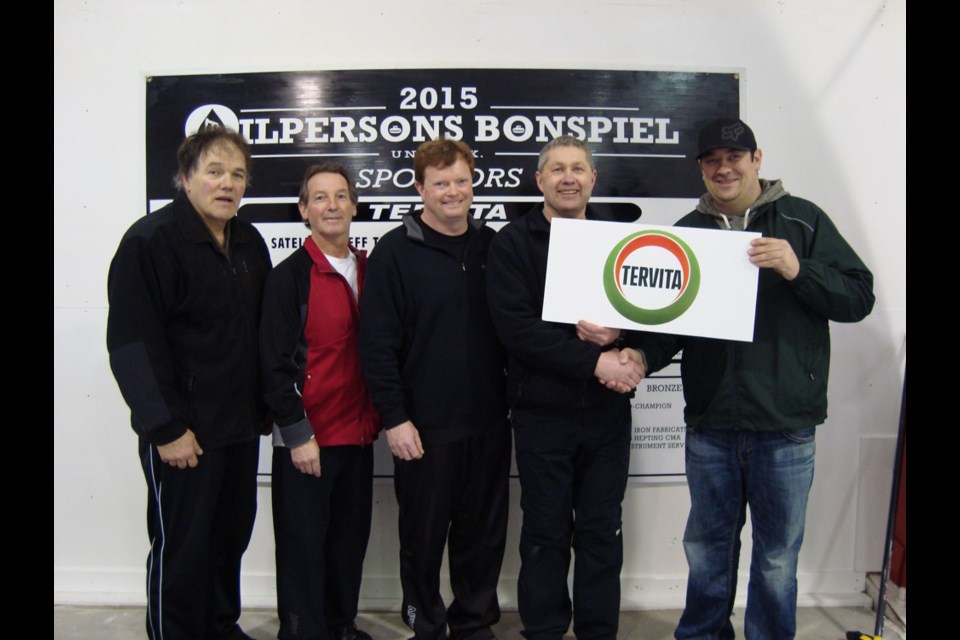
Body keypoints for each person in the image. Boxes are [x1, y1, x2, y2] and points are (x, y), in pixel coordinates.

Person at [637, 117, 876, 639]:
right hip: (711, 423)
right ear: (701, 168)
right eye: (712, 160)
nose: (724, 168)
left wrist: (798, 269)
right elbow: (667, 323)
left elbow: (859, 297)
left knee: (776, 556)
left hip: (785, 427)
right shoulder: (687, 233)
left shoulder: (804, 221)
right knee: (706, 548)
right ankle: (702, 634)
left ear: (757, 159)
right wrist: (637, 357)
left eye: (735, 157)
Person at [107, 126, 272, 640]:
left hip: (239, 427)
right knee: (182, 546)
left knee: (229, 539)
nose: (228, 184)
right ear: (185, 178)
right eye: (215, 171)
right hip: (185, 434)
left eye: (238, 174)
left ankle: (221, 626)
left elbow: (260, 334)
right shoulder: (149, 242)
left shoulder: (249, 242)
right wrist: (165, 427)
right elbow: (132, 345)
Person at [486, 135, 646, 640]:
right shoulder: (512, 242)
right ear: (540, 181)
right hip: (541, 416)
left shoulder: (616, 242)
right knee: (545, 533)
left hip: (606, 417)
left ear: (593, 179)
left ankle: (598, 631)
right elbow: (517, 332)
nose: (568, 177)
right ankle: (545, 630)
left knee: (602, 531)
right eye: (557, 169)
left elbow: (645, 317)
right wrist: (595, 362)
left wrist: (623, 343)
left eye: (579, 168)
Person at [359, 139, 511, 640]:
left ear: (474, 184)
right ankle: (425, 622)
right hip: (423, 428)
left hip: (489, 422)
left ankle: (474, 623)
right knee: (422, 539)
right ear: (420, 187)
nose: (453, 192)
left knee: (482, 536)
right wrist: (395, 419)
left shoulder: (493, 247)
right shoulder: (394, 254)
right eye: (441, 183)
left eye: (461, 181)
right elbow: (377, 346)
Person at [260, 163, 380, 640]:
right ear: (303, 210)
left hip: (359, 435)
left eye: (341, 196)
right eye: (320, 198)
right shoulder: (289, 277)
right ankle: (301, 632)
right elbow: (272, 364)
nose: (332, 206)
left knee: (349, 542)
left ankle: (340, 625)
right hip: (308, 441)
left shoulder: (372, 269)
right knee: (302, 546)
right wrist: (297, 434)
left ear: (353, 205)